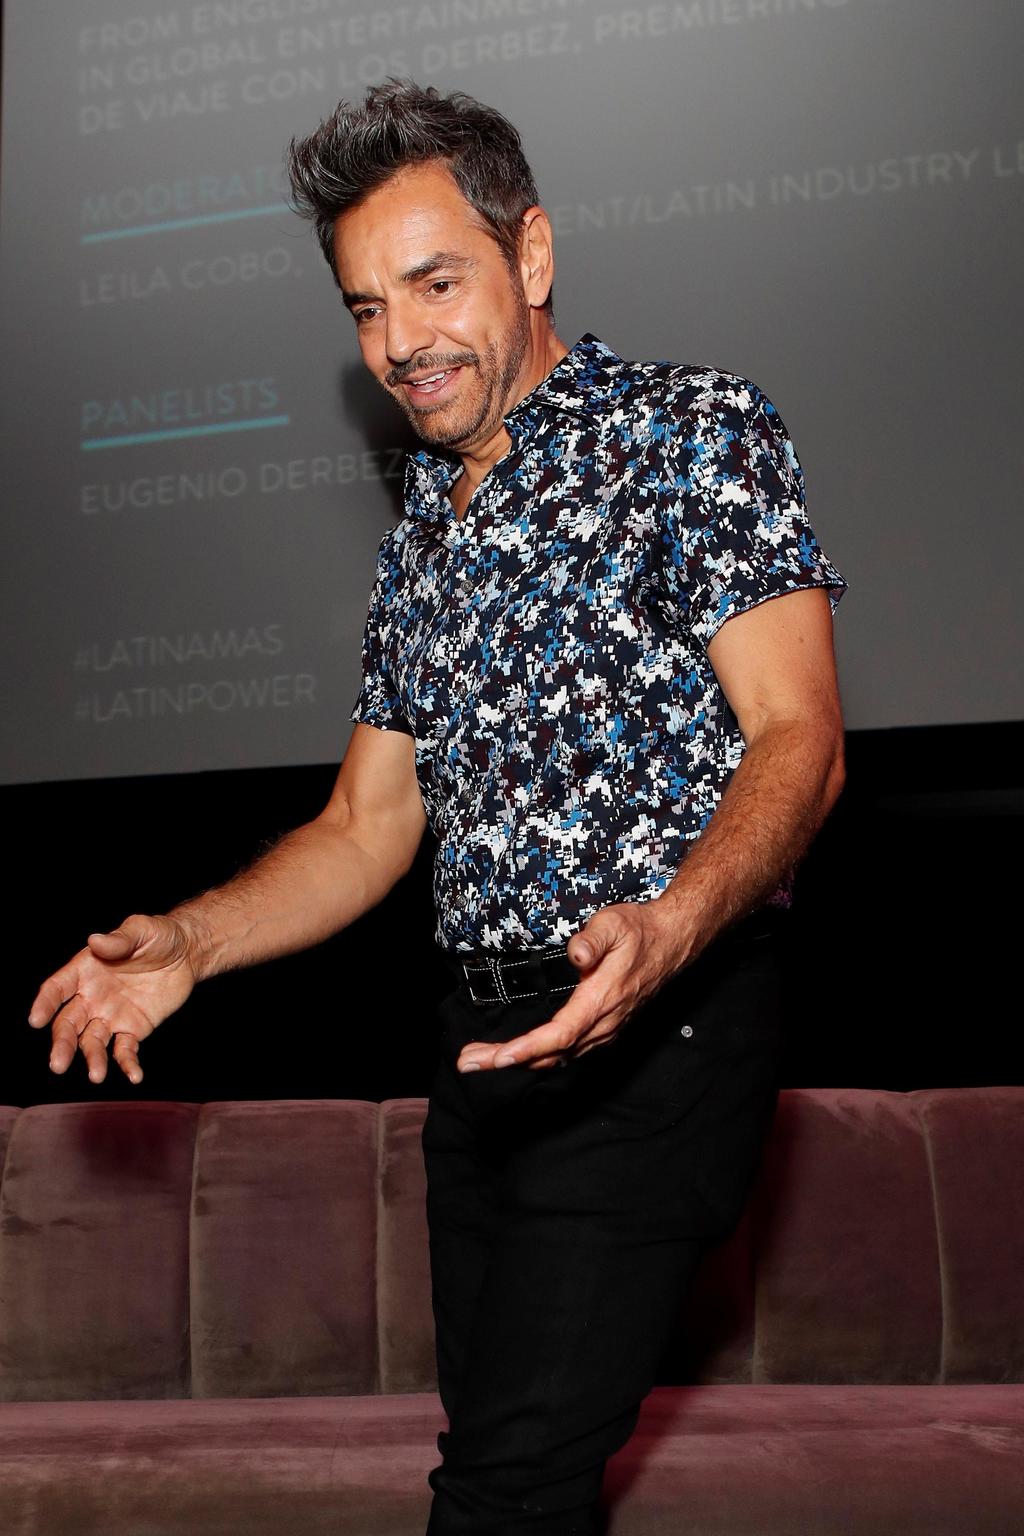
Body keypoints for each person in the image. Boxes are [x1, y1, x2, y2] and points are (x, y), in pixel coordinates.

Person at [28, 80, 849, 1535]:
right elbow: (365, 826)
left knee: (500, 1497)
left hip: (659, 1031)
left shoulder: (692, 433)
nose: (400, 340)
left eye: (434, 283)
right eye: (366, 306)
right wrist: (193, 945)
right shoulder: (424, 532)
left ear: (531, 255)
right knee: (516, 1479)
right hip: (479, 1062)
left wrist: (671, 926)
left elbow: (801, 739)